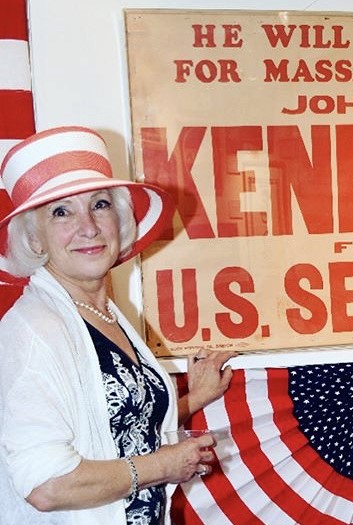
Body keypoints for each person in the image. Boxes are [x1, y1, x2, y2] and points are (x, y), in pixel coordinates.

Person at [0, 126, 235, 525]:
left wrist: (194, 399)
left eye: (101, 204)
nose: (88, 226)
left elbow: (110, 421)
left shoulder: (101, 312)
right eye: (62, 211)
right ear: (35, 240)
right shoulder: (33, 330)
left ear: (121, 220)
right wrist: (164, 466)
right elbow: (46, 485)